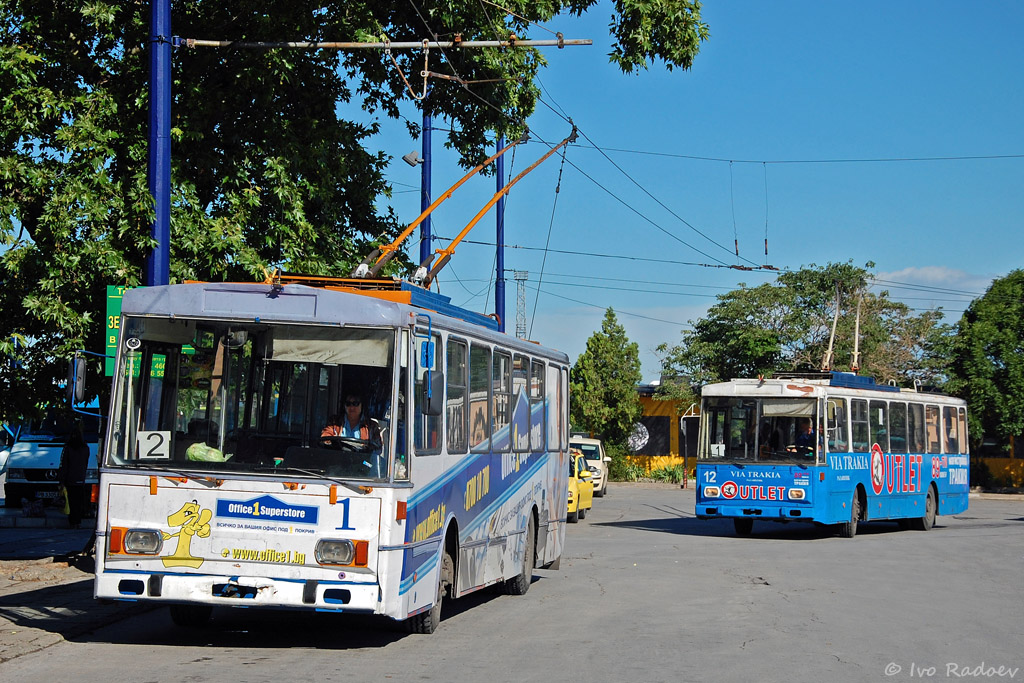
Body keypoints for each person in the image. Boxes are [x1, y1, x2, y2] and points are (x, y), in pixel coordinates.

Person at [59, 423, 90, 529]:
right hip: (80, 478)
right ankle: (78, 521)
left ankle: (72, 521)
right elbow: (85, 462)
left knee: (71, 501)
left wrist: (61, 480)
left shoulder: (68, 448)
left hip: (70, 479)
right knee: (79, 501)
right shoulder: (85, 448)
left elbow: (64, 465)